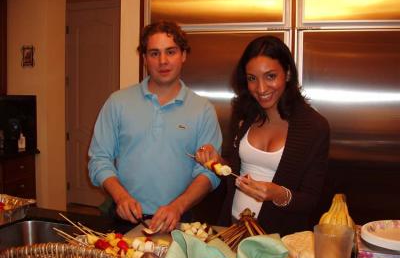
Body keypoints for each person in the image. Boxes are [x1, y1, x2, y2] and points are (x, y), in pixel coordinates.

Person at [88, 21, 222, 233]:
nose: (163, 61)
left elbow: (210, 173)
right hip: (124, 218)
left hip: (180, 219)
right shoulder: (118, 102)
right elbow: (99, 159)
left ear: (183, 55)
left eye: (171, 51)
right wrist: (121, 197)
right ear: (144, 59)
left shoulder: (203, 110)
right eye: (154, 53)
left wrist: (178, 207)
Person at [195, 35, 330, 236]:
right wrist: (217, 162)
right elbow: (236, 172)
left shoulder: (314, 127)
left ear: (288, 73)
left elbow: (311, 200)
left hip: (277, 238)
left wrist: (278, 194)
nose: (261, 89)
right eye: (252, 78)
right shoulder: (245, 116)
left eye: (270, 76)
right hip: (232, 228)